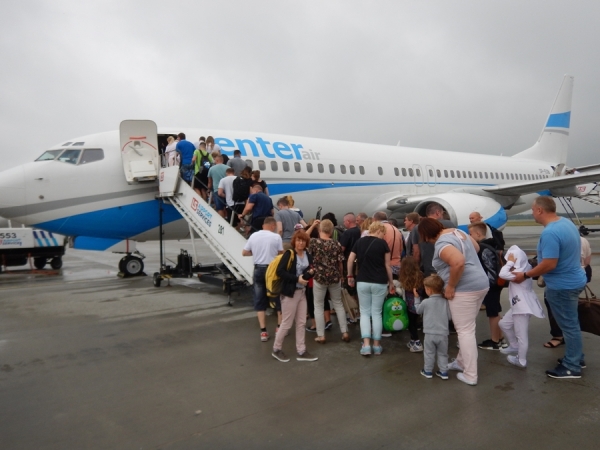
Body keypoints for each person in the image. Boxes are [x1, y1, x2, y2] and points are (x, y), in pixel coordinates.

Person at [511, 196, 587, 379]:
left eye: (532, 210)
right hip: (574, 279)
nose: (532, 213)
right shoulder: (566, 223)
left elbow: (550, 264)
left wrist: (525, 275)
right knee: (572, 323)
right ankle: (576, 357)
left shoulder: (550, 233)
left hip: (562, 286)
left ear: (539, 210)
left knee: (568, 325)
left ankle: (572, 366)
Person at [418, 218, 489, 386]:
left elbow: (457, 262)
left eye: (425, 238)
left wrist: (450, 285)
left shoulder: (442, 243)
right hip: (481, 284)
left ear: (427, 235)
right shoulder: (459, 232)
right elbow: (476, 247)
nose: (426, 241)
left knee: (464, 331)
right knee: (468, 326)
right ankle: (461, 362)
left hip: (465, 289)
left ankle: (471, 375)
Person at [347, 221, 395, 356]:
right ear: (379, 231)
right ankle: (377, 346)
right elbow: (387, 266)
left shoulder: (359, 242)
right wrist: (391, 282)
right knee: (377, 313)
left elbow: (350, 260)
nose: (383, 236)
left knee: (365, 313)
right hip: (379, 282)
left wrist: (350, 276)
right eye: (383, 234)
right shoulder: (383, 244)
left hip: (362, 281)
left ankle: (366, 345)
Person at [271, 230, 319, 362]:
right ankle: (276, 349)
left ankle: (301, 350)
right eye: (298, 240)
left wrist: (310, 273)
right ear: (294, 241)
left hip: (302, 293)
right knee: (286, 323)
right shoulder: (289, 254)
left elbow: (307, 273)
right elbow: (280, 272)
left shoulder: (307, 255)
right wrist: (297, 279)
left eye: (303, 240)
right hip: (289, 293)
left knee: (302, 322)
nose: (300, 243)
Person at [498, 245, 545, 368]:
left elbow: (502, 274)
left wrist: (510, 262)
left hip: (522, 307)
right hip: (519, 305)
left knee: (521, 335)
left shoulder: (518, 273)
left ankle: (521, 360)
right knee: (503, 324)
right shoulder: (525, 269)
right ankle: (514, 346)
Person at [307, 219, 350, 344]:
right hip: (334, 277)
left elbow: (304, 237)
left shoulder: (314, 242)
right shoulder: (336, 244)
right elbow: (340, 263)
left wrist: (313, 226)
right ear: (331, 231)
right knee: (338, 304)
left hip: (319, 277)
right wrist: (341, 276)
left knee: (318, 305)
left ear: (320, 230)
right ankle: (345, 332)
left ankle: (321, 335)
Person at [242, 217, 283, 343]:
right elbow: (281, 254)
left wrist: (257, 253)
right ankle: (279, 329)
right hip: (272, 270)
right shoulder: (276, 237)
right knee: (277, 299)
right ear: (272, 226)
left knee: (259, 300)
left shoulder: (254, 236)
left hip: (258, 269)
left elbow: (244, 252)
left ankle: (263, 332)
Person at [468, 221, 506, 350]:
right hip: (497, 282)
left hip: (491, 284)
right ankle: (500, 338)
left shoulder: (482, 248)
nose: (470, 236)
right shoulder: (491, 245)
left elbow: (487, 268)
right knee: (495, 311)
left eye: (471, 233)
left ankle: (494, 341)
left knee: (492, 313)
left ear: (478, 233)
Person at [414, 275, 451, 380]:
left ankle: (428, 371)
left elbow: (418, 311)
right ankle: (444, 372)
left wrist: (416, 299)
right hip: (443, 334)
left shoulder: (425, 302)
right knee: (443, 354)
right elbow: (449, 317)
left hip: (429, 333)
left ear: (429, 290)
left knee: (429, 353)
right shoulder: (445, 302)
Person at [399, 256, 424, 352]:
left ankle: (417, 342)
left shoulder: (405, 277)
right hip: (419, 303)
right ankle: (413, 340)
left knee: (411, 323)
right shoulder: (421, 275)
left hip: (410, 305)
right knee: (414, 322)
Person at [373, 211, 402, 277]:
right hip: (397, 265)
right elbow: (401, 249)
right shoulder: (396, 229)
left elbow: (375, 248)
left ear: (374, 219)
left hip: (383, 266)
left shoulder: (379, 229)